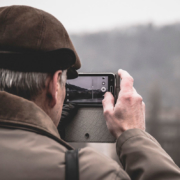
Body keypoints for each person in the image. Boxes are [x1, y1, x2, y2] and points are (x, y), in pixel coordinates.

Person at [0, 5, 179, 180]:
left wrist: (46, 130)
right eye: (64, 86)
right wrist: (134, 135)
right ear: (53, 86)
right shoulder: (89, 172)